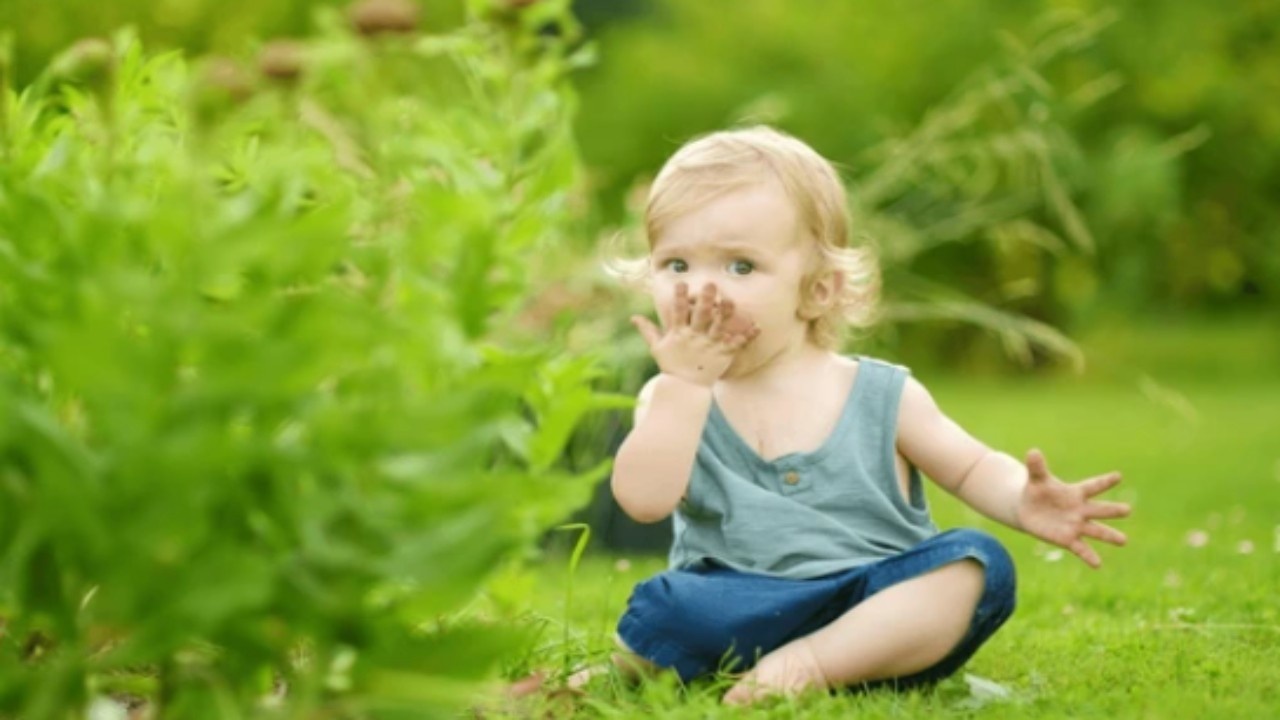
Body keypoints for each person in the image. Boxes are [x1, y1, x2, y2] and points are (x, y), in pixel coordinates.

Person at [562, 125, 1130, 707]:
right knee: (667, 604)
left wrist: (1021, 499)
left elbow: (970, 467)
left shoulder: (880, 394)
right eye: (677, 264)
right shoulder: (671, 398)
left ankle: (804, 666)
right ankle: (648, 665)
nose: (701, 289)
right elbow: (644, 502)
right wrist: (684, 388)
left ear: (818, 290)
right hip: (734, 605)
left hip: (872, 605)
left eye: (740, 267)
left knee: (977, 567)